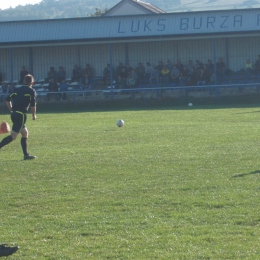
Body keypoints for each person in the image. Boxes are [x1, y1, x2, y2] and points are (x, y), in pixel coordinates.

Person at [0, 74, 36, 160]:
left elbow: (7, 99)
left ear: (24, 81)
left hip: (14, 114)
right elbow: (33, 105)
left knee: (25, 133)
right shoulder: (31, 91)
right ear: (32, 82)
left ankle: (26, 155)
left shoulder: (18, 89)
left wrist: (11, 109)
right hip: (21, 115)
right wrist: (34, 115)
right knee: (13, 136)